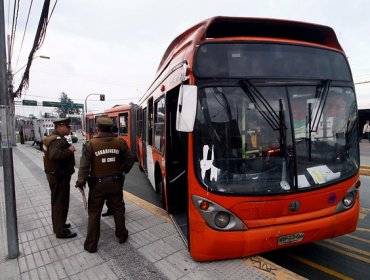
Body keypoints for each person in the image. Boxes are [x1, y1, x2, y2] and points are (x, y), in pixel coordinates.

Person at [75, 116, 135, 253]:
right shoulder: (119, 142)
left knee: (94, 213)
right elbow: (130, 158)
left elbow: (84, 166)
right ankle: (122, 235)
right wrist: (123, 169)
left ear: (98, 128)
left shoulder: (90, 144)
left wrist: (81, 182)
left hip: (97, 185)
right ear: (110, 128)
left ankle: (91, 244)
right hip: (115, 182)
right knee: (118, 209)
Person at [43, 117, 77, 239]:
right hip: (59, 176)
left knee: (56, 202)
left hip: (54, 175)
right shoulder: (57, 140)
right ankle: (61, 231)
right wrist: (70, 150)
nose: (69, 128)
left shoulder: (50, 138)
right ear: (59, 127)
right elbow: (55, 155)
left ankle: (59, 225)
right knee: (60, 203)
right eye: (67, 127)